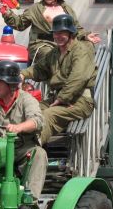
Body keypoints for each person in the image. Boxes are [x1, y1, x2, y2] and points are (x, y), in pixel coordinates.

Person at [20, 14, 97, 144]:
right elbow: (39, 69)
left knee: (49, 115)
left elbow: (78, 78)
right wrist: (22, 75)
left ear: (71, 33)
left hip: (80, 101)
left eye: (62, 33)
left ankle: (33, 148)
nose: (57, 36)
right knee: (30, 109)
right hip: (60, 99)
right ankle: (18, 144)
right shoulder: (54, 52)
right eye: (55, 33)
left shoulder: (81, 51)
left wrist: (62, 98)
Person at [0, 61, 47, 198]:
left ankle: (30, 201)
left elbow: (38, 121)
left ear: (11, 85)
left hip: (21, 150)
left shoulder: (27, 100)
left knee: (39, 154)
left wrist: (19, 127)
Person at [1, 0, 99, 64]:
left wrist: (86, 36)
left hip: (64, 43)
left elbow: (76, 28)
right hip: (42, 44)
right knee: (53, 57)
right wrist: (7, 13)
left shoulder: (66, 9)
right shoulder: (35, 9)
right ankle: (55, 84)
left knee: (86, 48)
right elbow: (20, 24)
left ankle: (80, 82)